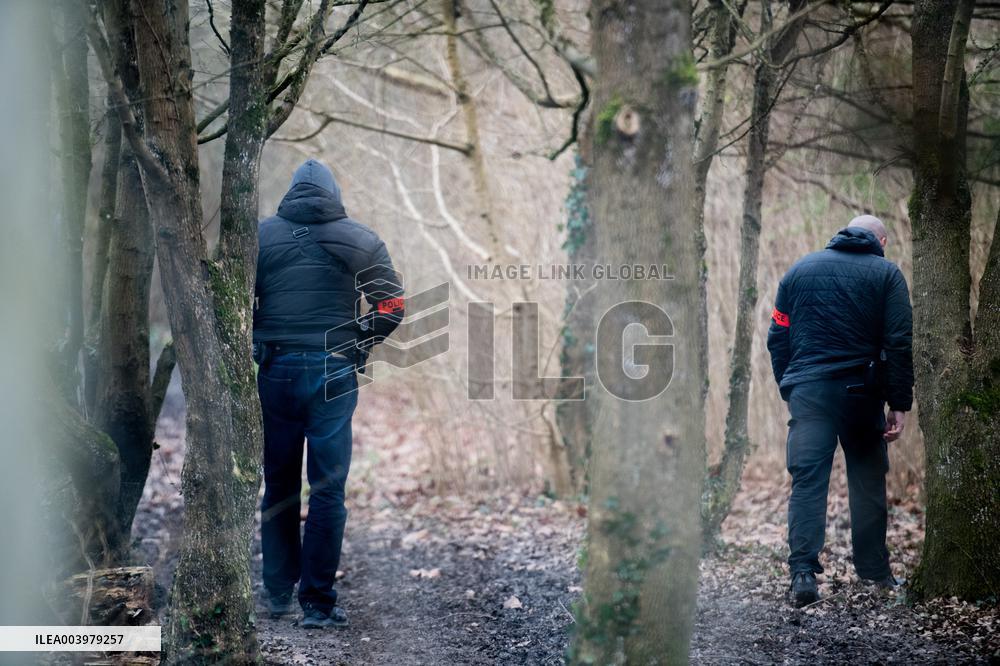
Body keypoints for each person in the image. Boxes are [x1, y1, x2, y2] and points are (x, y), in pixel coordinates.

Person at [252, 159, 404, 628]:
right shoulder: (361, 239)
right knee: (327, 490)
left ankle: (277, 592)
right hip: (333, 374)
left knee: (278, 484)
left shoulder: (258, 237)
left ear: (290, 194)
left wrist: (259, 339)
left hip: (275, 370)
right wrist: (357, 341)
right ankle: (317, 604)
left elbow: (234, 297)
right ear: (334, 195)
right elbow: (392, 306)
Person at [766, 214, 913, 608]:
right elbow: (898, 342)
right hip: (860, 394)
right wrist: (899, 403)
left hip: (809, 394)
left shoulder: (799, 270)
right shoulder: (887, 274)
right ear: (881, 241)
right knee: (866, 480)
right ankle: (875, 572)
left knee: (808, 481)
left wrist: (790, 384)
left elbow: (778, 333)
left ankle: (802, 574)